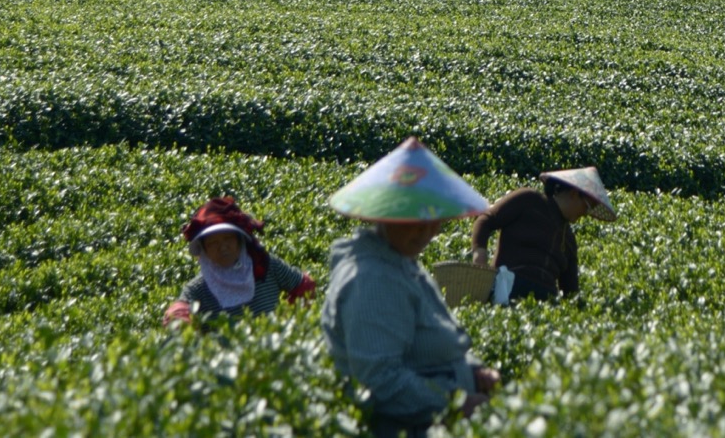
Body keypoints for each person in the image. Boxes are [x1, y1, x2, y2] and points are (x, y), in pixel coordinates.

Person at [322, 138, 502, 438]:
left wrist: (473, 370)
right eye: (415, 219)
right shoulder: (372, 280)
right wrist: (454, 403)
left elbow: (435, 338)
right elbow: (381, 380)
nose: (428, 230)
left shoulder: (402, 262)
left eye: (434, 220)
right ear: (385, 215)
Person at [469, 166, 617, 302]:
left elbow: (570, 293)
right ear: (574, 194)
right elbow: (486, 220)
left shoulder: (569, 239)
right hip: (508, 287)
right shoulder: (529, 200)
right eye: (587, 206)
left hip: (545, 300)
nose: (586, 213)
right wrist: (480, 256)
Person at [163, 195, 316, 326]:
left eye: (228, 239)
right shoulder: (199, 288)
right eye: (213, 243)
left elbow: (303, 285)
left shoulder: (265, 266)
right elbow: (179, 312)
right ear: (204, 251)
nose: (223, 248)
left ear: (240, 241)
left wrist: (292, 323)